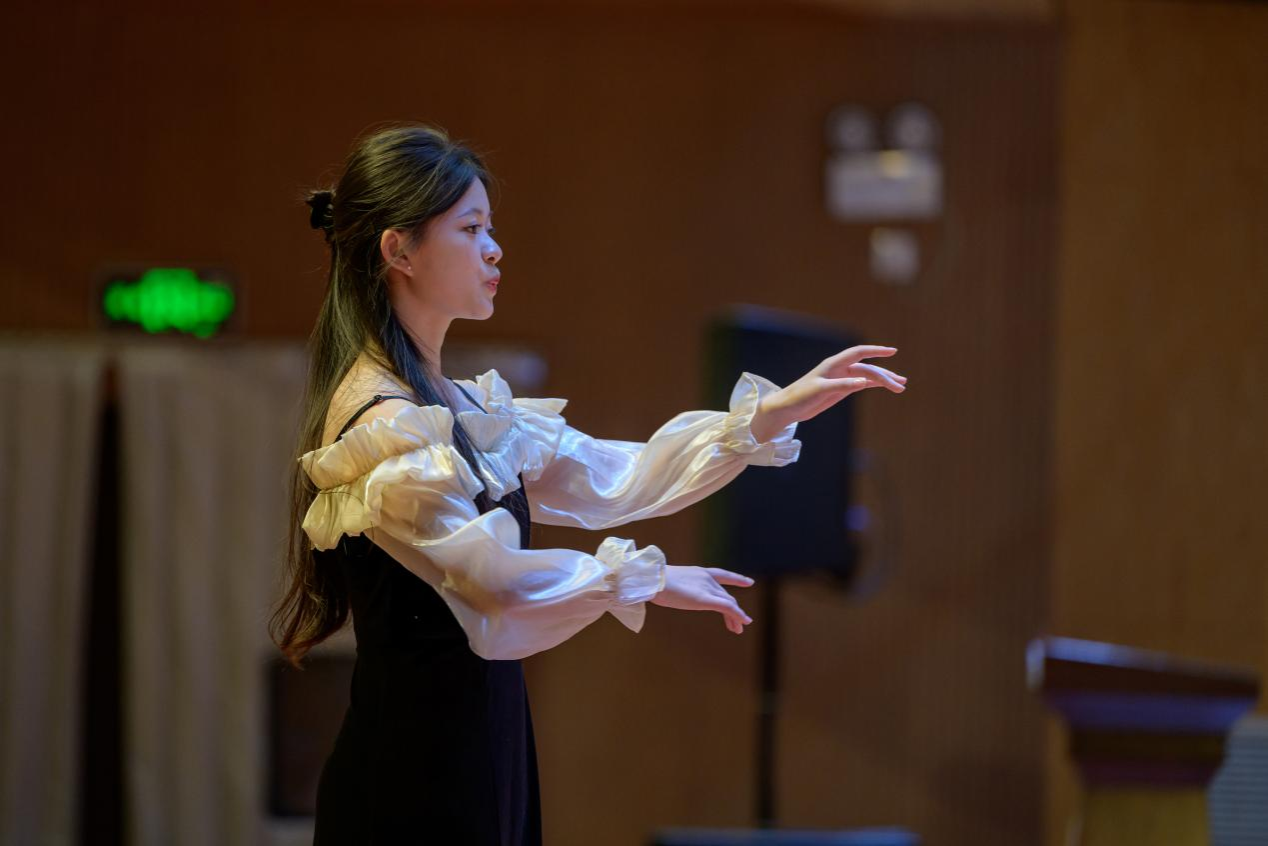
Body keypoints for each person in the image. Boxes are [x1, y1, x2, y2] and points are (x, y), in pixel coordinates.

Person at [270, 123, 907, 846]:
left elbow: (615, 477)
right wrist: (643, 578)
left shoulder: (462, 408)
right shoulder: (385, 422)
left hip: (482, 751)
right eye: (471, 229)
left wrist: (772, 412)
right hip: (413, 774)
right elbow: (492, 583)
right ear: (399, 250)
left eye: (490, 228)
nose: (494, 248)